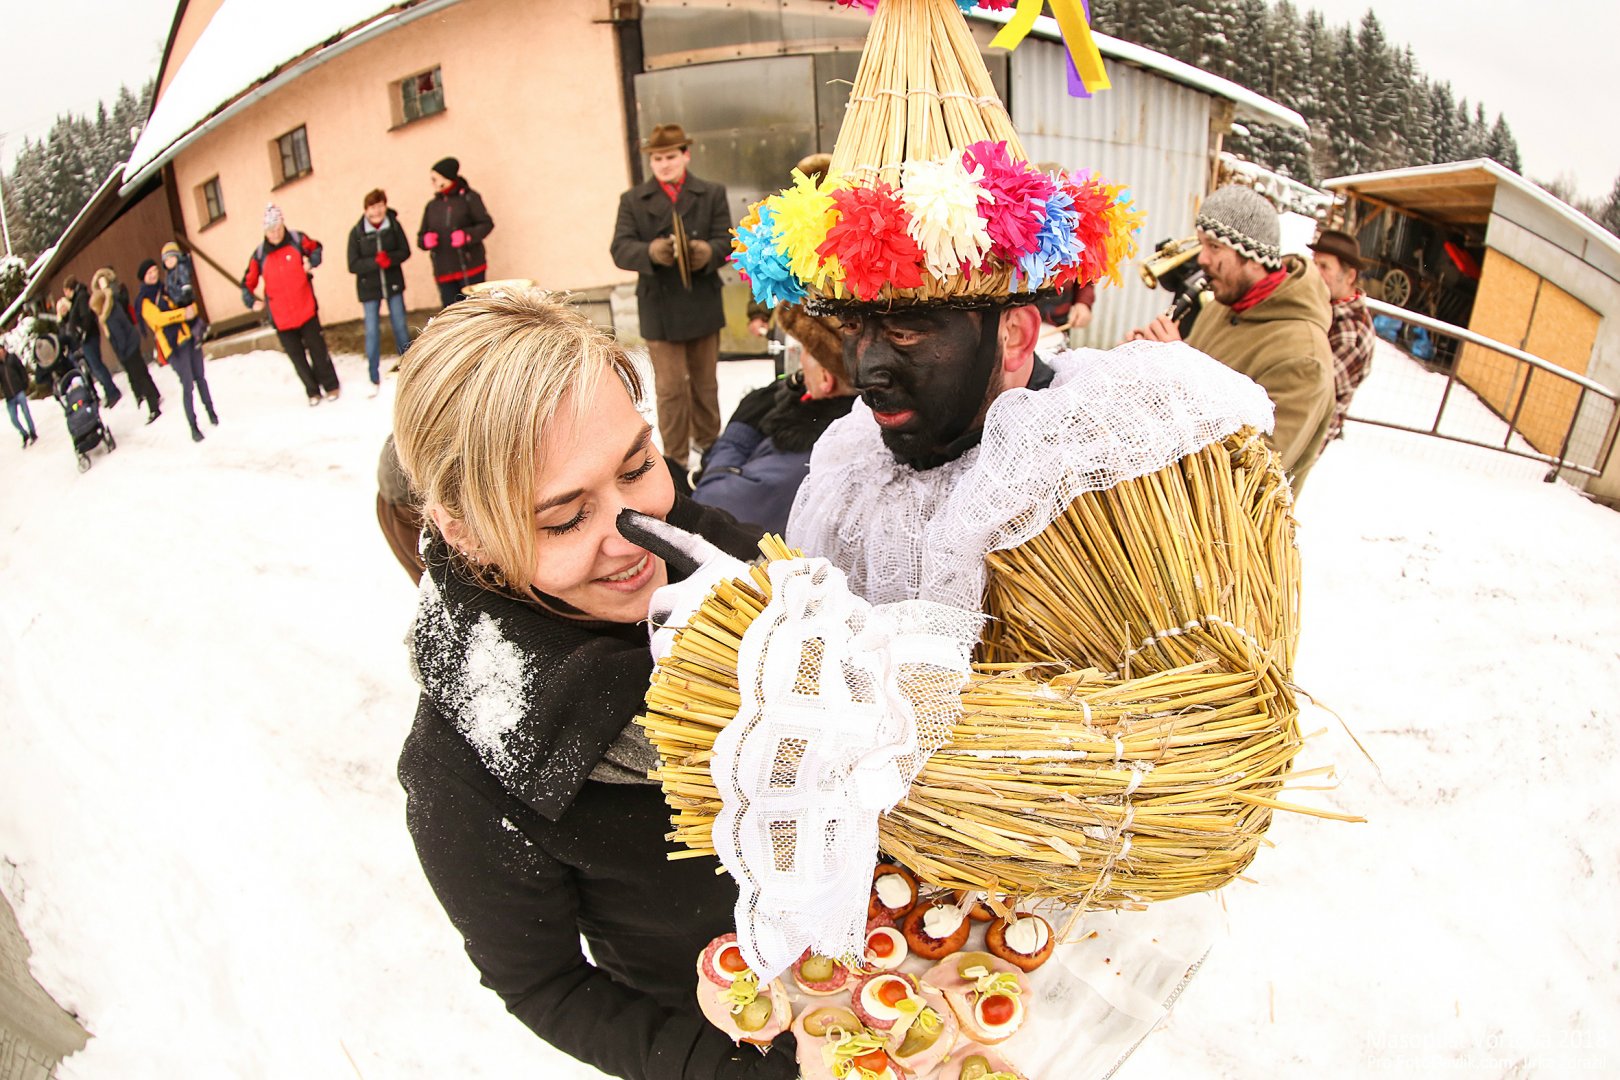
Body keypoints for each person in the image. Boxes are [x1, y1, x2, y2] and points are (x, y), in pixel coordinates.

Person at [390, 287, 796, 1080]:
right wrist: (724, 1070)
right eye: (563, 518)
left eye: (637, 466)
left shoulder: (722, 558)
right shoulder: (464, 768)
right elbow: (543, 984)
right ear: (465, 531)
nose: (635, 536)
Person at [1126, 185, 1335, 491]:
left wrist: (1179, 368)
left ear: (1254, 257)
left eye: (1214, 247)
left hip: (1216, 517)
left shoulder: (1305, 357)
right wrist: (1144, 364)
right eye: (1201, 244)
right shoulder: (1220, 306)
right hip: (1171, 494)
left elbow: (1255, 474)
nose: (1202, 259)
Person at [610, 123, 733, 468]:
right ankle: (676, 460)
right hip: (659, 308)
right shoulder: (633, 201)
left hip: (702, 302)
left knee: (705, 385)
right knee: (670, 389)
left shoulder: (711, 193)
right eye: (657, 158)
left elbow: (728, 241)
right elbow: (620, 249)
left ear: (685, 155)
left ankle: (711, 448)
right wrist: (649, 252)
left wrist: (708, 252)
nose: (664, 164)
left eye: (670, 157)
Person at [692, 348, 857, 535]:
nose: (800, 362)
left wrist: (739, 433)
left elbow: (711, 501)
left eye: (805, 349)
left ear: (825, 379)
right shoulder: (860, 428)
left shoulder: (810, 450)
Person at [243, 204, 341, 405]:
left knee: (318, 351)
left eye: (278, 228)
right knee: (298, 359)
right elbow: (247, 283)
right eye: (271, 230)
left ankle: (331, 385)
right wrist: (251, 301)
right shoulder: (260, 255)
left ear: (283, 224)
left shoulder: (297, 239)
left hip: (306, 309)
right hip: (281, 319)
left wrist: (312, 261)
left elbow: (316, 248)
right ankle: (312, 392)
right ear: (265, 231)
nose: (276, 233)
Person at [1309, 228, 1376, 443]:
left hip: (1306, 437)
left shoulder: (1353, 334)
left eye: (1324, 266)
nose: (1314, 272)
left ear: (1350, 276)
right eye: (1314, 263)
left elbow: (1312, 390)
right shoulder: (1323, 305)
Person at [140, 258, 216, 442]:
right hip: (173, 347)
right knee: (188, 384)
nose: (153, 275)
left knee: (201, 377)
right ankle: (193, 426)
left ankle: (212, 413)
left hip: (188, 337)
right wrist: (183, 314)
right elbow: (159, 319)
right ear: (143, 277)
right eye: (149, 273)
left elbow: (185, 302)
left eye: (155, 271)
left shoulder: (166, 289)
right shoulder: (144, 302)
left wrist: (191, 308)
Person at [347, 188, 414, 395]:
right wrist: (374, 262)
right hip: (369, 289)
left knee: (400, 326)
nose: (377, 211)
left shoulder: (393, 225)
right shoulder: (357, 231)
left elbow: (405, 251)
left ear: (385, 206)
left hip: (393, 284)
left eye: (380, 206)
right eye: (372, 207)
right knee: (372, 331)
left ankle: (408, 368)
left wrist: (390, 259)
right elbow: (353, 264)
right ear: (366, 210)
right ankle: (373, 376)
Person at [417, 157, 494, 307]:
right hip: (443, 271)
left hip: (471, 269)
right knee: (451, 312)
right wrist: (425, 241)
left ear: (446, 178)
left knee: (474, 310)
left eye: (435, 179)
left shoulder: (470, 198)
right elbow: (420, 238)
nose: (432, 183)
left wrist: (468, 235)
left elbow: (486, 224)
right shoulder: (432, 206)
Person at [91, 266, 162, 424]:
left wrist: (122, 353)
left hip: (128, 346)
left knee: (140, 374)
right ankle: (154, 396)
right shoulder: (110, 308)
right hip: (131, 342)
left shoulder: (110, 312)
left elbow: (119, 335)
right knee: (141, 372)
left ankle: (154, 407)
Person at [60, 276, 123, 408]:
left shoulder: (81, 297)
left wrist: (82, 332)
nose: (65, 294)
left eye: (65, 291)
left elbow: (86, 317)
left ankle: (112, 392)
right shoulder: (77, 299)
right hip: (87, 338)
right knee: (95, 367)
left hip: (89, 338)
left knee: (97, 366)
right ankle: (109, 390)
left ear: (70, 289)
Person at [161, 241, 207, 342]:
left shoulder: (180, 269)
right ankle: (197, 331)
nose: (169, 262)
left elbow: (185, 280)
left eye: (171, 258)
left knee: (191, 318)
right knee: (186, 318)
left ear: (177, 257)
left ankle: (200, 330)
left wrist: (186, 292)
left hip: (184, 297)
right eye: (166, 260)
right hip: (177, 300)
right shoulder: (169, 274)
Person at [2, 342, 37, 447]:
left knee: (26, 412)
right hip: (9, 396)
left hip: (19, 391)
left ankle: (32, 432)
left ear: (4, 350)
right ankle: (24, 434)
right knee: (13, 419)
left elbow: (21, 370)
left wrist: (25, 383)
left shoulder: (12, 358)